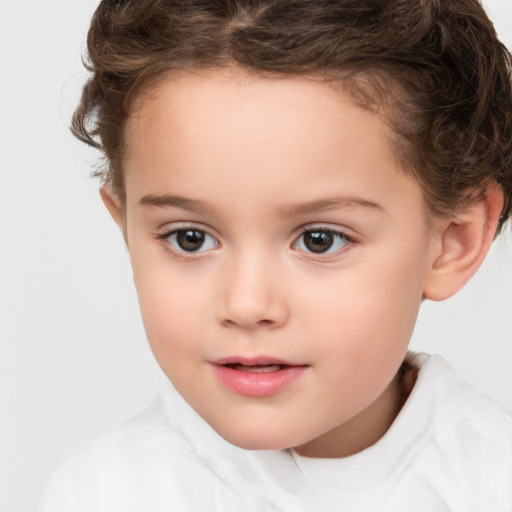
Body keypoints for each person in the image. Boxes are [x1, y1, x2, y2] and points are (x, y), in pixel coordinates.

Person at [38, 0, 512, 510]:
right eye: (189, 238)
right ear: (127, 229)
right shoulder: (104, 493)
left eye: (319, 240)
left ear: (453, 240)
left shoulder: (491, 483)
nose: (246, 304)